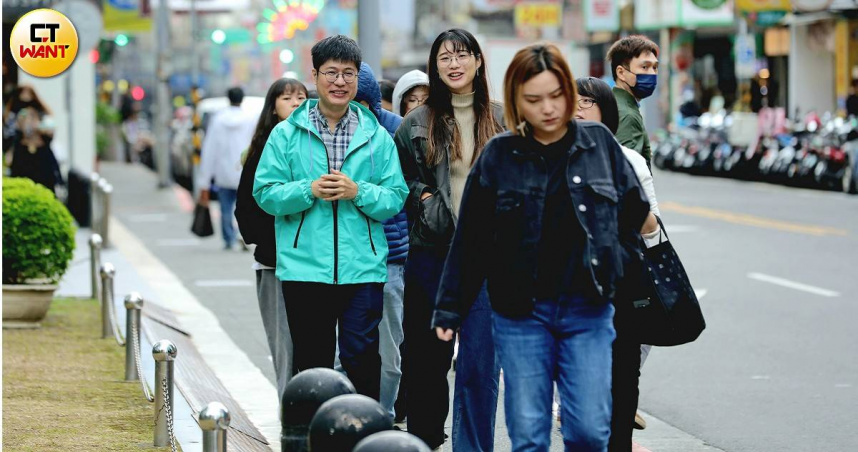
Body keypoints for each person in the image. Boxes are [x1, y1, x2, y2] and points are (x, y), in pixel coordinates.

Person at [432, 43, 650, 452]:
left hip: (588, 309)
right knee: (530, 435)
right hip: (521, 314)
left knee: (587, 431)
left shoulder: (598, 142)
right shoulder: (499, 155)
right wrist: (450, 308)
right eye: (534, 100)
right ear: (517, 102)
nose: (548, 108)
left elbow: (634, 211)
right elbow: (471, 241)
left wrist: (620, 270)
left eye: (556, 95)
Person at [253, 35, 408, 400]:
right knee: (312, 366)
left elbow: (396, 196)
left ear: (357, 79)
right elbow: (265, 193)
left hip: (363, 268)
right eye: (332, 73)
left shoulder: (377, 136)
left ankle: (360, 435)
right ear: (316, 75)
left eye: (348, 74)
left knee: (361, 359)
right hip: (304, 267)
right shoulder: (286, 133)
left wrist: (359, 192)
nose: (340, 82)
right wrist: (308, 190)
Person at [395, 28, 504, 451]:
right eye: (445, 57)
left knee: (479, 366)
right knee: (426, 363)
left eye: (461, 55)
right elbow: (397, 178)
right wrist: (421, 198)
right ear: (434, 66)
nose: (453, 64)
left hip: (487, 260)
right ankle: (424, 443)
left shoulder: (501, 118)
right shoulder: (415, 123)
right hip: (431, 258)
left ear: (478, 61)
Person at [575, 76, 662, 450]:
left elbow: (652, 227)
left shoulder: (629, 160)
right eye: (573, 101)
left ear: (606, 110)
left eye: (587, 102)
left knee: (624, 371)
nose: (578, 109)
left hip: (623, 281)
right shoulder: (552, 156)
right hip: (574, 286)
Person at [235, 77, 308, 407]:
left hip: (313, 264)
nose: (295, 102)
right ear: (273, 107)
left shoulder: (315, 145)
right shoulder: (262, 149)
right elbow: (245, 211)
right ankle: (291, 424)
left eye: (301, 97)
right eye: (286, 97)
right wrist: (274, 242)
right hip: (275, 264)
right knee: (285, 350)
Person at [354, 62, 410, 419]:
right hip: (343, 256)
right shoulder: (321, 129)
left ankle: (384, 417)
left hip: (390, 255)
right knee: (349, 350)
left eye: (361, 101)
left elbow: (407, 191)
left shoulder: (395, 130)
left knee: (390, 350)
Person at [198, 87, 257, 250]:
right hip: (243, 171)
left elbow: (210, 149)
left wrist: (204, 181)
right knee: (245, 206)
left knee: (225, 208)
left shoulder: (218, 120)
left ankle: (229, 239)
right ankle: (243, 234)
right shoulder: (250, 118)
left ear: (228, 98)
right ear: (242, 98)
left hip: (223, 172)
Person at [607, 35, 659, 167]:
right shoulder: (627, 115)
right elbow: (626, 172)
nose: (652, 73)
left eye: (655, 67)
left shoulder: (614, 103)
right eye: (644, 67)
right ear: (621, 73)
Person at [9, 105, 62, 194]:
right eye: (26, 118)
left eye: (32, 117)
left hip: (45, 189)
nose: (29, 122)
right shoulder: (18, 145)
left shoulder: (45, 143)